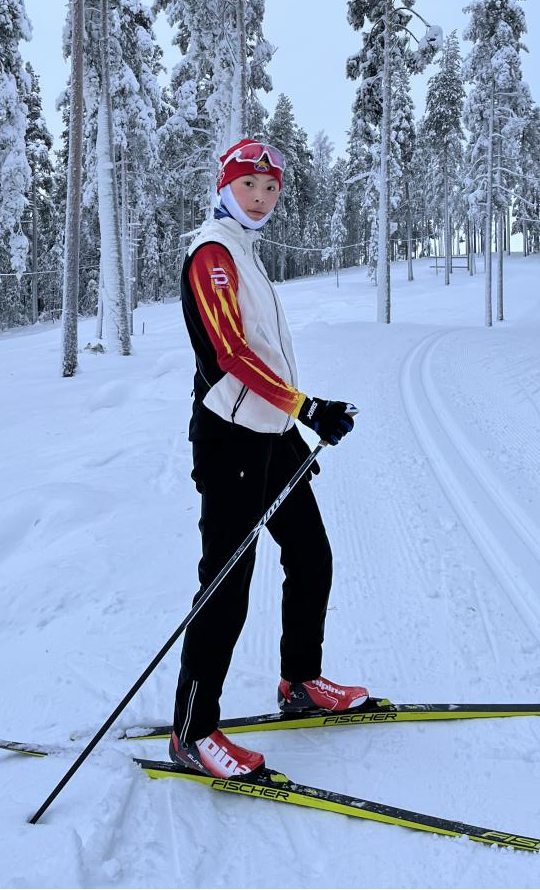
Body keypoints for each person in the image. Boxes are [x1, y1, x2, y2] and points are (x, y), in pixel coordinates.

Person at [170, 138, 364, 780]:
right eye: (250, 185)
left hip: (270, 431)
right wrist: (306, 407)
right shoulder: (214, 254)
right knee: (227, 585)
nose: (261, 197)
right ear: (226, 186)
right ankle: (193, 733)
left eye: (272, 188)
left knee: (311, 554)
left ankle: (301, 682)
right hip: (231, 439)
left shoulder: (246, 255)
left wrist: (298, 412)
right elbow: (230, 354)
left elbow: (264, 353)